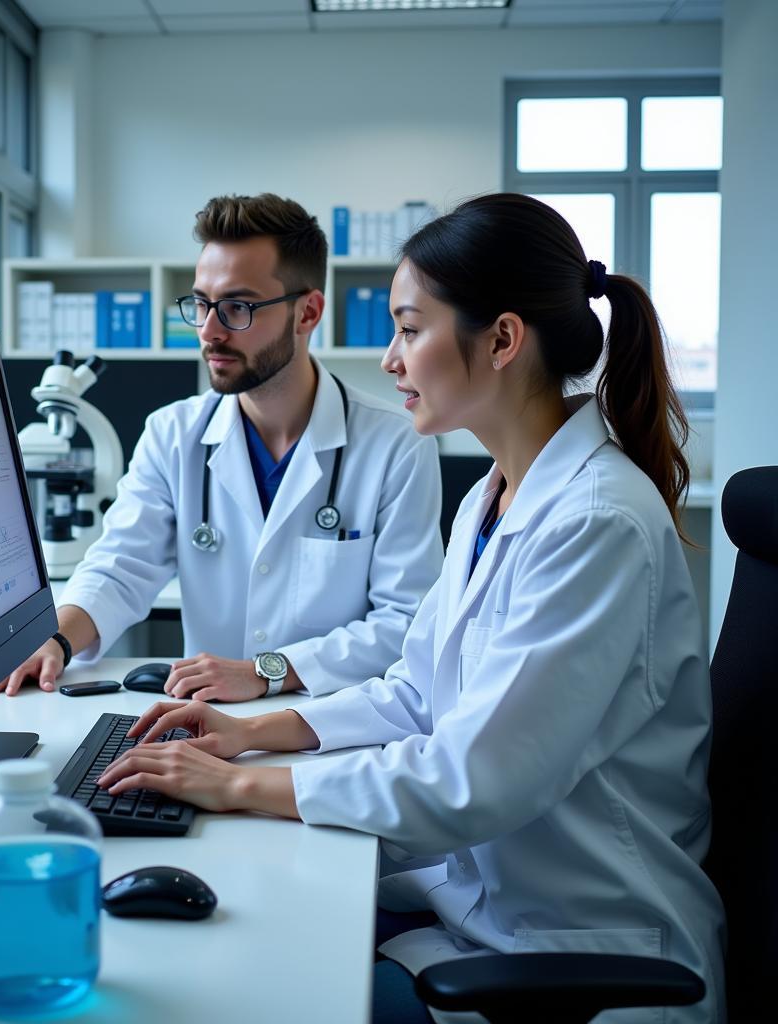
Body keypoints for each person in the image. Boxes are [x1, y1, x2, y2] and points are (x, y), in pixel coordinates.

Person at [96, 194, 726, 1023]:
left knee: (247, 990)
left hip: (577, 951)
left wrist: (241, 787)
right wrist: (250, 734)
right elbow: (415, 690)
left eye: (409, 329)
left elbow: (471, 780)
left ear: (502, 340)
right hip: (486, 901)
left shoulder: (596, 523)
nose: (391, 361)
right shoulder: (498, 496)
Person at [0, 193, 443, 702]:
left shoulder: (394, 443)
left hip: (334, 726)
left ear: (307, 312)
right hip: (202, 723)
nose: (209, 331)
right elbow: (120, 566)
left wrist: (264, 672)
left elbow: (405, 620)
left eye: (237, 307)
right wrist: (54, 639)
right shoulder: (172, 434)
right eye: (201, 304)